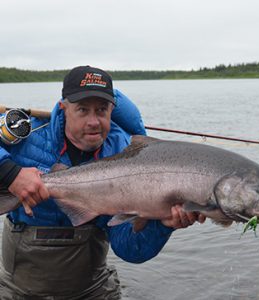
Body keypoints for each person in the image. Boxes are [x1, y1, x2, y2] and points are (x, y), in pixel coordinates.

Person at [0, 66, 205, 299]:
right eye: (82, 110)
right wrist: (10, 172)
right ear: (63, 109)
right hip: (19, 290)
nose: (93, 122)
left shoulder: (125, 154)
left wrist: (162, 225)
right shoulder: (29, 134)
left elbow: (130, 250)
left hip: (93, 289)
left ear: (112, 109)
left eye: (101, 110)